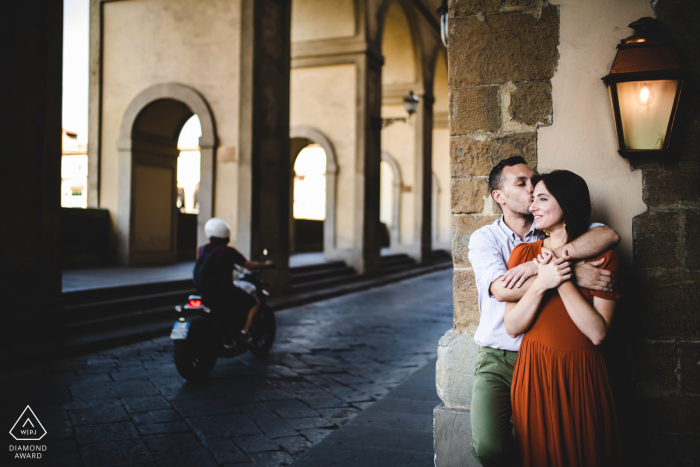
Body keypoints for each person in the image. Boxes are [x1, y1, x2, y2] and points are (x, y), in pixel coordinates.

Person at [467, 157, 620, 467]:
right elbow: (501, 290)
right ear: (500, 197)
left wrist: (554, 263)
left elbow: (609, 235)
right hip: (501, 357)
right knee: (492, 447)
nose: (531, 192)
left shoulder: (569, 240)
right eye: (522, 184)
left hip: (561, 361)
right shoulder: (488, 239)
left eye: (537, 187)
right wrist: (568, 275)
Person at [196, 218, 273, 346]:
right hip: (225, 293)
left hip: (205, 292)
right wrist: (266, 265)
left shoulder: (202, 249)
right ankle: (245, 332)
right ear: (226, 235)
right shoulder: (228, 251)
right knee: (255, 302)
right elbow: (250, 266)